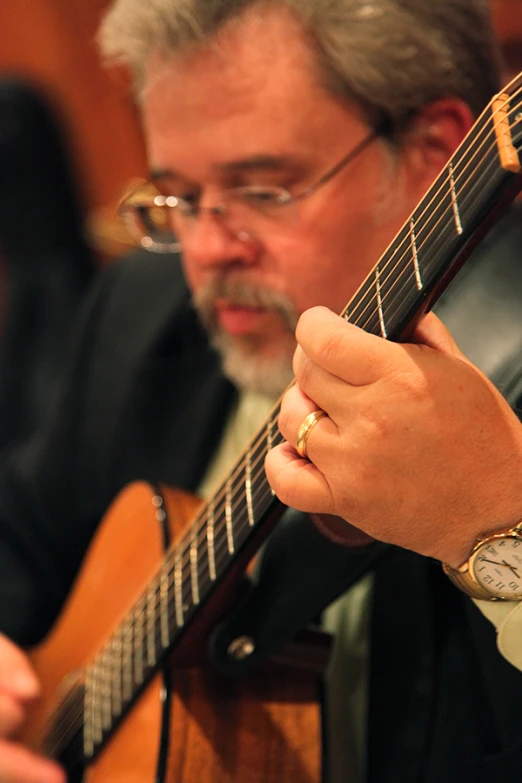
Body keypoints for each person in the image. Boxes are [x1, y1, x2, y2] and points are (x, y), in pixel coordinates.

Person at [0, 1, 521, 781]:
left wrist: (499, 520)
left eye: (264, 189)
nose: (207, 250)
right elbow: (18, 537)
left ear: (435, 152)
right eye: (177, 197)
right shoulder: (137, 309)